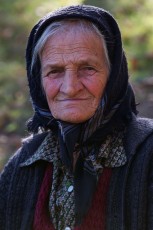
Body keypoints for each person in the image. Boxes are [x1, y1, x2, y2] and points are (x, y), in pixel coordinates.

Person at [0, 4, 153, 230]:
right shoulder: (22, 166)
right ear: (38, 81)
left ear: (114, 75)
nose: (70, 88)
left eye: (88, 68)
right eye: (55, 71)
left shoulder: (148, 155)